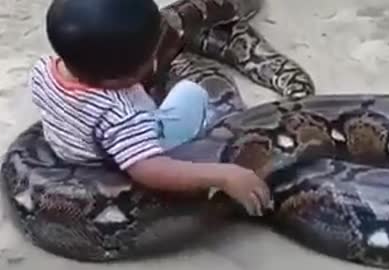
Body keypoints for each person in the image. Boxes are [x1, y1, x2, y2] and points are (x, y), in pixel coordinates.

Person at [29, 0, 272, 216]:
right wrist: (224, 175)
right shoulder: (121, 115)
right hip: (110, 158)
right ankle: (211, 122)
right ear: (131, 75)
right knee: (191, 93)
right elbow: (148, 170)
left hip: (71, 147)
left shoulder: (43, 69)